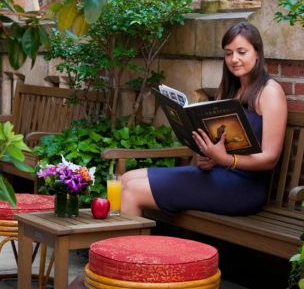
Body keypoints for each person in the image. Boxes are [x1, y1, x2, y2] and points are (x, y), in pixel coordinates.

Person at [120, 22, 288, 216]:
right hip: (216, 175)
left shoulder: (270, 92)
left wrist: (226, 159)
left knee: (132, 191)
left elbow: (270, 158)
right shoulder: (228, 90)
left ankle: (123, 248)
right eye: (228, 53)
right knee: (126, 179)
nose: (234, 59)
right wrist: (207, 158)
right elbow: (217, 143)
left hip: (242, 187)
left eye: (242, 52)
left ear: (257, 53)